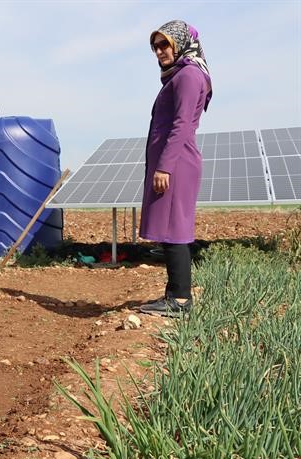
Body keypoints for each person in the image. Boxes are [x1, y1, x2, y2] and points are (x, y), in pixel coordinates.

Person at [139, 21, 212, 316]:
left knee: (174, 229)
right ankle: (173, 293)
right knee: (169, 228)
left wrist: (165, 167)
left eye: (164, 45)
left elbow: (181, 125)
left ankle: (180, 300)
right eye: (155, 47)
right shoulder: (179, 76)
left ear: (180, 43)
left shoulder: (189, 75)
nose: (159, 52)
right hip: (173, 160)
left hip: (177, 162)